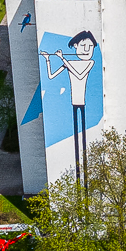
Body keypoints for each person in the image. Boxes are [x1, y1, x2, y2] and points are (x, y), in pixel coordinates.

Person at [40, 30, 97, 186]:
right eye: (83, 46)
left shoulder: (90, 62)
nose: (87, 49)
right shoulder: (69, 62)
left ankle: (85, 181)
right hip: (73, 103)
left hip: (82, 104)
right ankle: (78, 181)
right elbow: (51, 76)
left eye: (90, 46)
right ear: (76, 46)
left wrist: (62, 58)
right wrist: (48, 60)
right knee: (76, 142)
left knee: (83, 139)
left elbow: (79, 74)